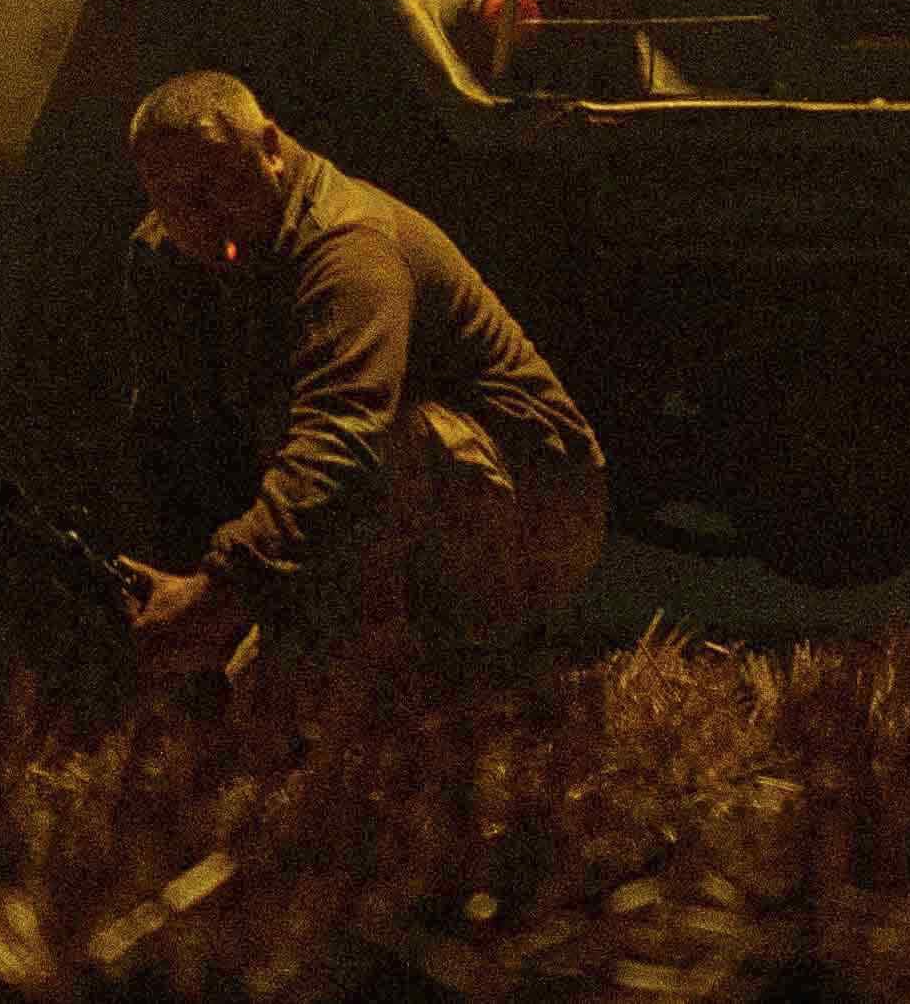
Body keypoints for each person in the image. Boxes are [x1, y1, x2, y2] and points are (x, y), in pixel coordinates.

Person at [111, 73, 608, 675]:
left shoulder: (349, 250)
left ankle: (418, 657)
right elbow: (167, 426)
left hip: (535, 506)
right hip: (378, 500)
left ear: (270, 149)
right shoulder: (166, 257)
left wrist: (218, 591)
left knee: (380, 446)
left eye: (218, 185)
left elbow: (340, 441)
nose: (202, 218)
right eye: (174, 198)